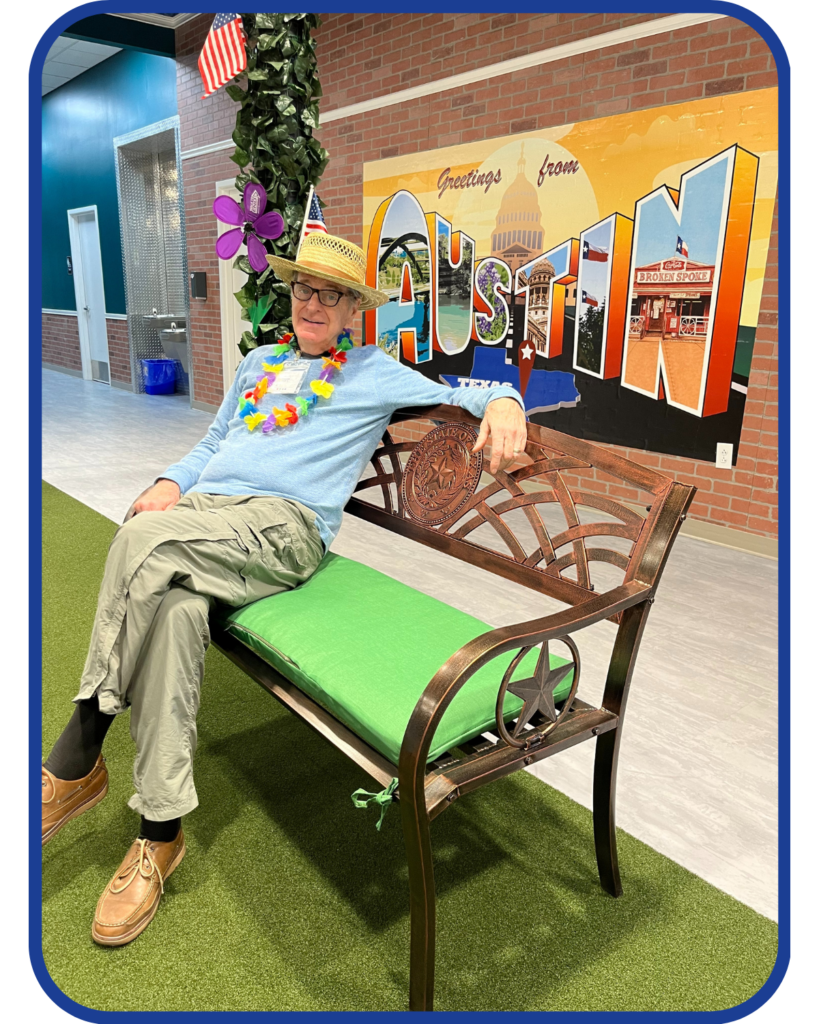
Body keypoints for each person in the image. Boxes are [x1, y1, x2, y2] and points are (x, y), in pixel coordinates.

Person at [42, 231, 528, 947]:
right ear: (289, 295)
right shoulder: (257, 364)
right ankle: (159, 832)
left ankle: (75, 754)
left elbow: (467, 392)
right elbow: (213, 443)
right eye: (304, 288)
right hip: (210, 517)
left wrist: (508, 401)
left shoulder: (372, 372)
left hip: (283, 531)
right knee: (174, 609)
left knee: (142, 541)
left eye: (332, 294)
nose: (313, 303)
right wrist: (174, 480)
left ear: (353, 311)